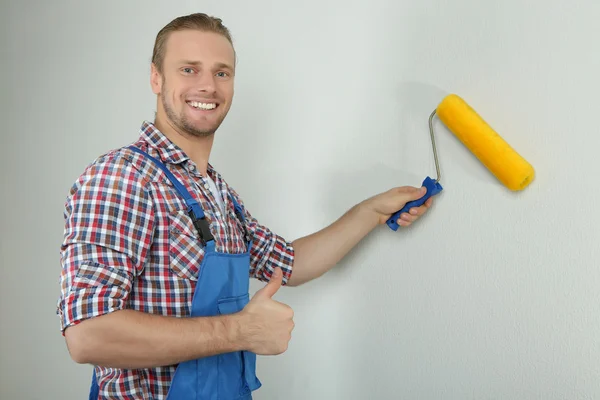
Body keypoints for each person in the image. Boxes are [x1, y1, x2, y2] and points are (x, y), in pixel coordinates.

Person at [56, 12, 434, 400]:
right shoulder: (122, 178)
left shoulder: (217, 192)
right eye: (189, 69)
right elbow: (87, 334)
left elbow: (289, 263)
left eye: (222, 73)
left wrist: (369, 211)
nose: (207, 85)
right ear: (156, 77)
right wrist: (240, 331)